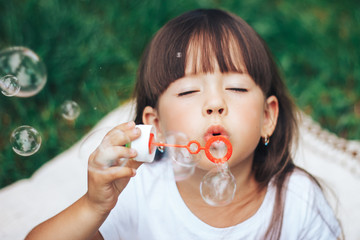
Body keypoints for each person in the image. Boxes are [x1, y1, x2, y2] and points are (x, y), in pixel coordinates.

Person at [26, 8, 342, 240]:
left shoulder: (298, 202)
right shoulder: (138, 192)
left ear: (267, 118)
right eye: (189, 91)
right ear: (157, 127)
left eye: (236, 88)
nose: (215, 104)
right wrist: (93, 206)